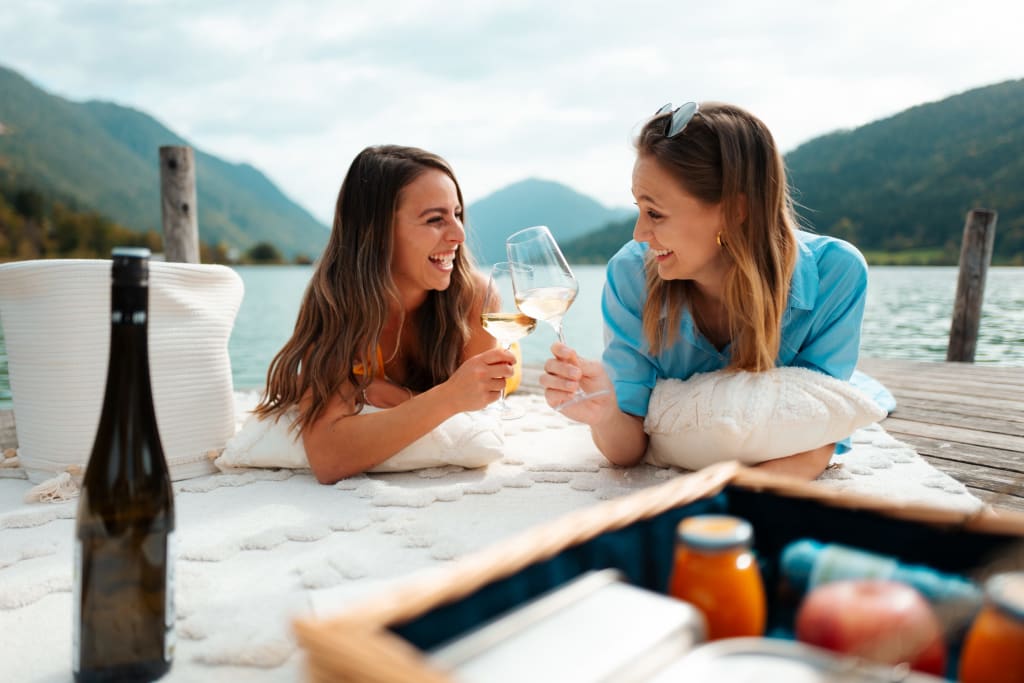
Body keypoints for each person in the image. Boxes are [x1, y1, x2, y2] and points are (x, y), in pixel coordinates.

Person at [540, 102, 869, 480]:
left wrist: (729, 500)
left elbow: (817, 436)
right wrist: (605, 411)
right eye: (639, 209)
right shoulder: (631, 274)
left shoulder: (834, 275)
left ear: (734, 211)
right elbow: (627, 451)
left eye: (655, 213)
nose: (639, 234)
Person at [254, 145, 514, 484]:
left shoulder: (474, 298)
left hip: (509, 365)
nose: (459, 234)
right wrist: (447, 396)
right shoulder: (339, 304)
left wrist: (393, 396)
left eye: (457, 214)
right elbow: (328, 456)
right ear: (377, 232)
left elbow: (475, 412)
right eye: (435, 219)